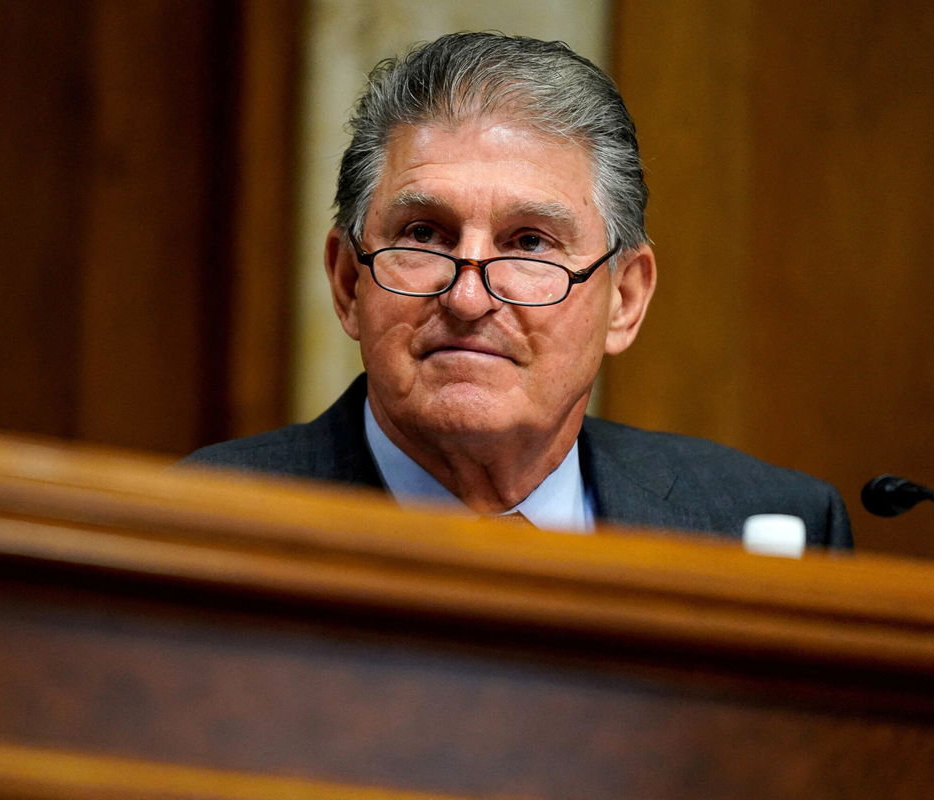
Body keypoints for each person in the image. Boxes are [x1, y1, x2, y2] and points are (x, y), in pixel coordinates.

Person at [185, 32, 852, 548]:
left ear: (625, 300)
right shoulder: (205, 521)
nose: (469, 300)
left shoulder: (762, 522)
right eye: (423, 234)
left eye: (530, 243)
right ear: (346, 280)